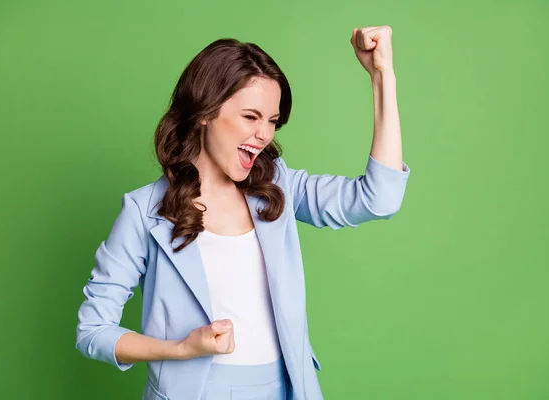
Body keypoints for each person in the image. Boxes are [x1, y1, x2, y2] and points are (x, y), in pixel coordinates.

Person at [75, 26, 410, 400]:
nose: (264, 134)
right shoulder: (144, 211)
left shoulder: (278, 187)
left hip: (285, 390)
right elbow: (93, 330)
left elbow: (380, 199)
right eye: (251, 116)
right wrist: (182, 348)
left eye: (272, 121)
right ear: (205, 112)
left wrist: (382, 77)